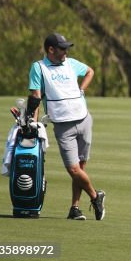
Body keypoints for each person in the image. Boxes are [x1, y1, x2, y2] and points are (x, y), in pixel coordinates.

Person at [17, 33, 106, 221]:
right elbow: (35, 97)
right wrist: (33, 123)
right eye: (62, 48)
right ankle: (96, 196)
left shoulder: (71, 63)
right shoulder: (39, 68)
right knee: (74, 169)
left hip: (83, 119)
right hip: (63, 125)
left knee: (81, 166)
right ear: (51, 50)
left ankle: (75, 208)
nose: (66, 51)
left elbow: (90, 71)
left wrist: (81, 90)